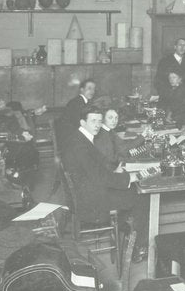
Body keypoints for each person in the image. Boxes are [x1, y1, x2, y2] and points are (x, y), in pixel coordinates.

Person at [62, 105, 149, 263]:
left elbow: (99, 164)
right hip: (90, 201)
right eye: (93, 121)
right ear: (82, 122)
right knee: (141, 196)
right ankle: (140, 247)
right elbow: (100, 177)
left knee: (130, 191)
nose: (97, 124)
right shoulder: (81, 145)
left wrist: (116, 170)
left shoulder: (81, 138)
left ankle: (126, 231)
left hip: (88, 191)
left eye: (99, 121)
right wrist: (129, 178)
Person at [57, 77, 94, 154]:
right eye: (89, 88)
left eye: (93, 89)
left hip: (73, 137)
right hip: (70, 140)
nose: (92, 91)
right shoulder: (77, 103)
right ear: (82, 89)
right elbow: (78, 124)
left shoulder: (82, 102)